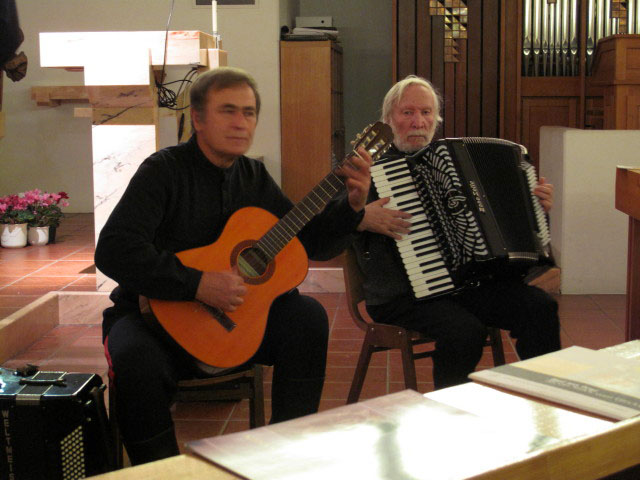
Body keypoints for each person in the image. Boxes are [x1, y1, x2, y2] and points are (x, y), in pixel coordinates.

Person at [95, 66, 372, 466]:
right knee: (134, 361)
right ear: (199, 119)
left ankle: (284, 454)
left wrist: (351, 207)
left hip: (237, 324)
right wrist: (195, 283)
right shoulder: (163, 171)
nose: (241, 123)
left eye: (249, 112)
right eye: (228, 111)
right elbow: (114, 250)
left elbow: (307, 243)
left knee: (307, 317)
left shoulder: (254, 176)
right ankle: (162, 473)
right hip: (154, 319)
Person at [352, 75, 561, 390]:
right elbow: (332, 224)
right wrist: (361, 217)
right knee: (465, 332)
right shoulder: (370, 168)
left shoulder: (449, 162)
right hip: (401, 295)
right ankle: (446, 417)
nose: (417, 122)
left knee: (540, 308)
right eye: (407, 113)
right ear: (388, 120)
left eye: (425, 113)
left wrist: (537, 211)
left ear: (436, 120)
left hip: (464, 285)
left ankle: (546, 399)